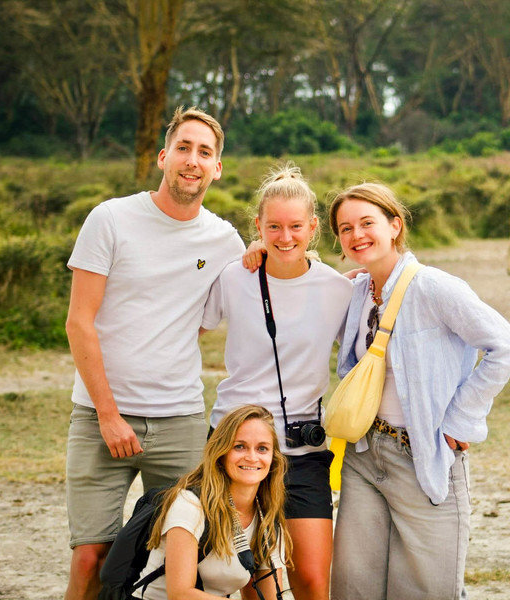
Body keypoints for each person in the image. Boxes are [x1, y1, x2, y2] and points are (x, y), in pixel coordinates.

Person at [64, 106, 245, 600]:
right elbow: (79, 322)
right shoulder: (110, 219)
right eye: (183, 148)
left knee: (182, 555)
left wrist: (346, 281)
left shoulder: (224, 239)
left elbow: (259, 284)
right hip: (102, 416)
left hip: (180, 420)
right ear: (163, 157)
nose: (192, 160)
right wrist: (107, 415)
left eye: (204, 152)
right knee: (91, 554)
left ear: (217, 168)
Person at [327, 182, 510, 599]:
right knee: (352, 588)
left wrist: (462, 418)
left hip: (423, 458)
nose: (356, 235)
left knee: (423, 591)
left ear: (395, 226)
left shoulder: (434, 287)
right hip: (363, 457)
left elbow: (506, 346)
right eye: (345, 228)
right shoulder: (358, 290)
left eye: (368, 223)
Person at [202, 164, 353, 600]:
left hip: (303, 448)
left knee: (309, 577)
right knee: (249, 576)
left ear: (312, 227)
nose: (284, 237)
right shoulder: (234, 277)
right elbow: (188, 326)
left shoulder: (338, 288)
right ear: (258, 227)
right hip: (235, 441)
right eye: (273, 227)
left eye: (294, 227)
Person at [134, 404, 291, 599]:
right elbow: (180, 594)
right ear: (221, 453)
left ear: (273, 458)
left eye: (262, 448)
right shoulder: (190, 504)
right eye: (239, 446)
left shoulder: (266, 517)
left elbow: (266, 596)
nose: (252, 457)